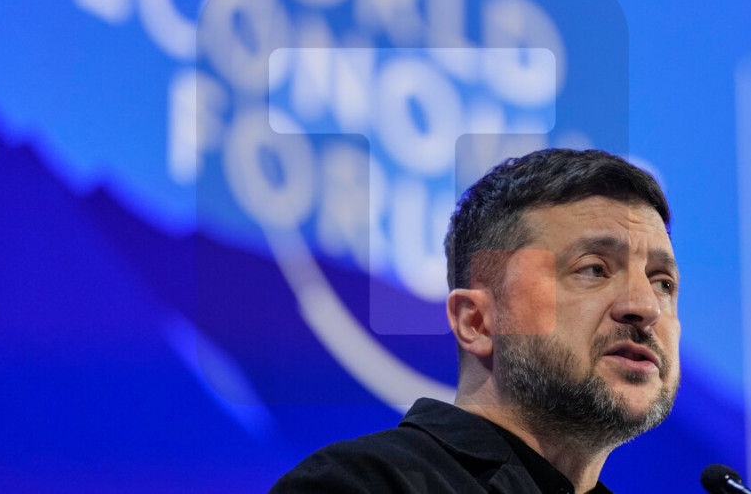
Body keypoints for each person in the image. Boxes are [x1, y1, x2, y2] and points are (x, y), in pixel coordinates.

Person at [269, 148, 680, 494]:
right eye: (594, 269)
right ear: (477, 322)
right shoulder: (363, 484)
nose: (647, 306)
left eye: (662, 282)